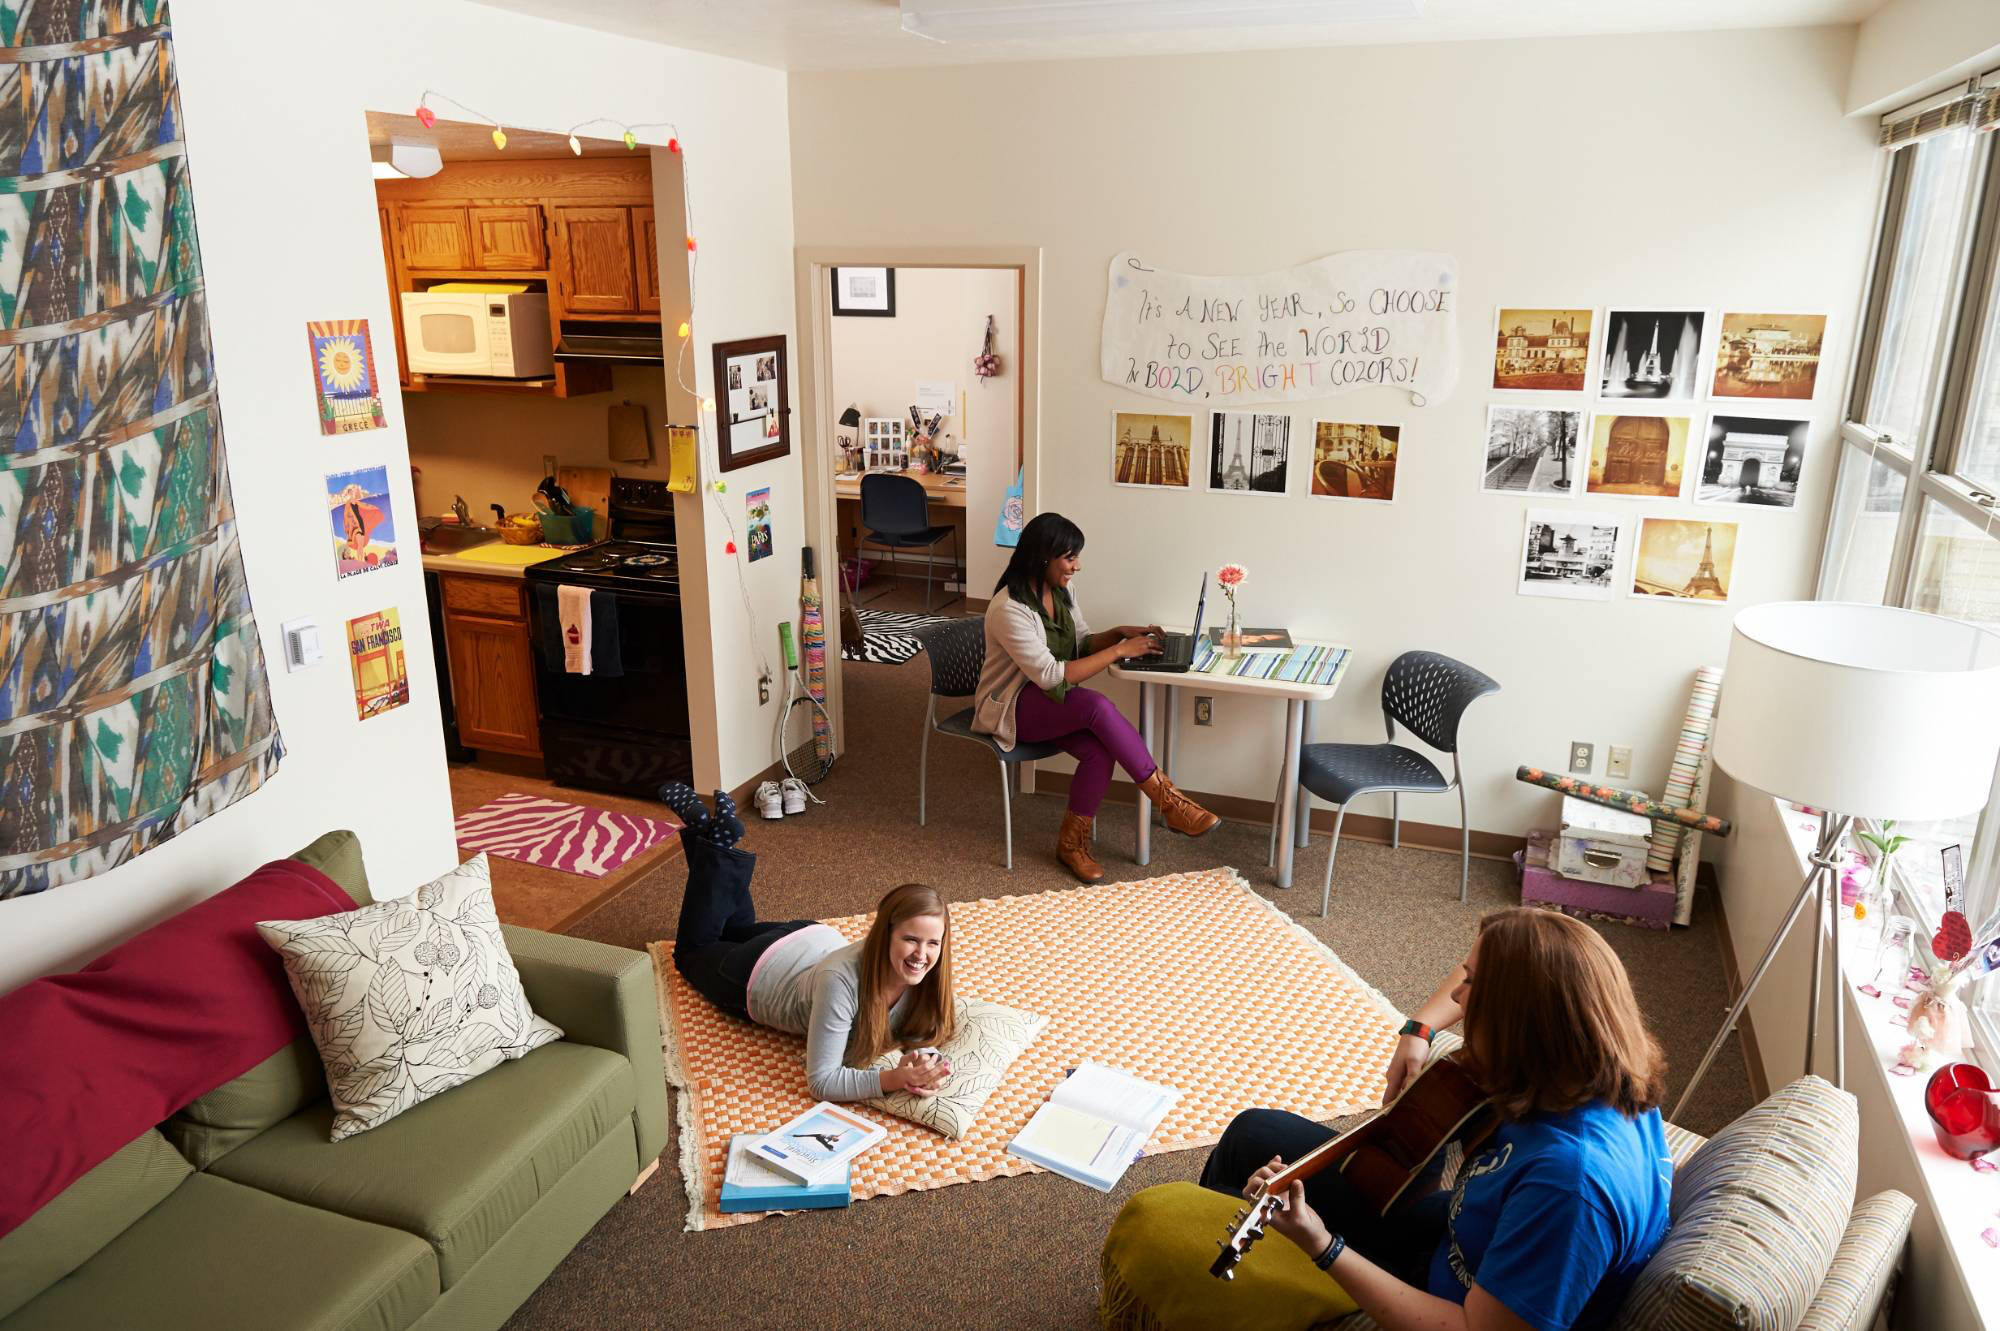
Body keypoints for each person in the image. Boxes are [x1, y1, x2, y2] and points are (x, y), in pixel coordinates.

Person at [1199, 908, 1673, 1331]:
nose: (1459, 998)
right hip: (1462, 1232)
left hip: (1443, 1294)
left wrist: (1323, 1245)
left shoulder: (1569, 1188)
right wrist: (1419, 1028)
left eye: (1471, 989)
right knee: (1251, 1132)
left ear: (1517, 1021)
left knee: (1208, 1216)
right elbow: (1482, 971)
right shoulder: (1597, 1067)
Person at [661, 784, 954, 1103]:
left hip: (810, 937)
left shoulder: (928, 974)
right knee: (693, 951)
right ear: (885, 934)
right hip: (757, 972)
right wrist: (893, 1078)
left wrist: (924, 1059)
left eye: (932, 943)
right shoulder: (841, 982)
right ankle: (711, 839)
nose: (921, 955)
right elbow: (822, 1082)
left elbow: (920, 1030)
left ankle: (710, 834)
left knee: (734, 928)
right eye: (910, 940)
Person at [974, 512, 1219, 883]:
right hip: (1012, 707)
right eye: (1070, 557)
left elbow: (1081, 643)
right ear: (1043, 557)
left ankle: (1071, 844)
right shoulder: (1009, 609)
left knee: (1099, 749)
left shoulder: (1062, 591)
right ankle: (1169, 802)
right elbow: (1053, 674)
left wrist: (1120, 634)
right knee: (1096, 706)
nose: (1077, 566)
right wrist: (1121, 651)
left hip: (1049, 703)